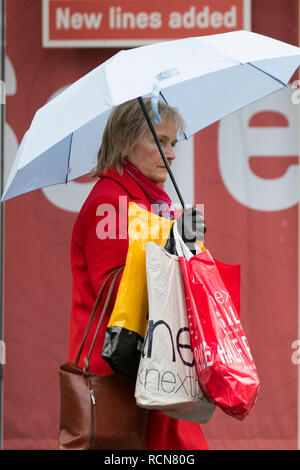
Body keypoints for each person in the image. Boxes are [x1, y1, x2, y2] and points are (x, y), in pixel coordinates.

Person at [68, 98, 209, 450]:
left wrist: (186, 243)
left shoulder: (149, 201)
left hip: (155, 370)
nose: (171, 154)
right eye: (159, 140)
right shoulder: (111, 202)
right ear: (125, 143)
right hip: (122, 378)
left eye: (174, 143)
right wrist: (176, 248)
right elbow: (117, 291)